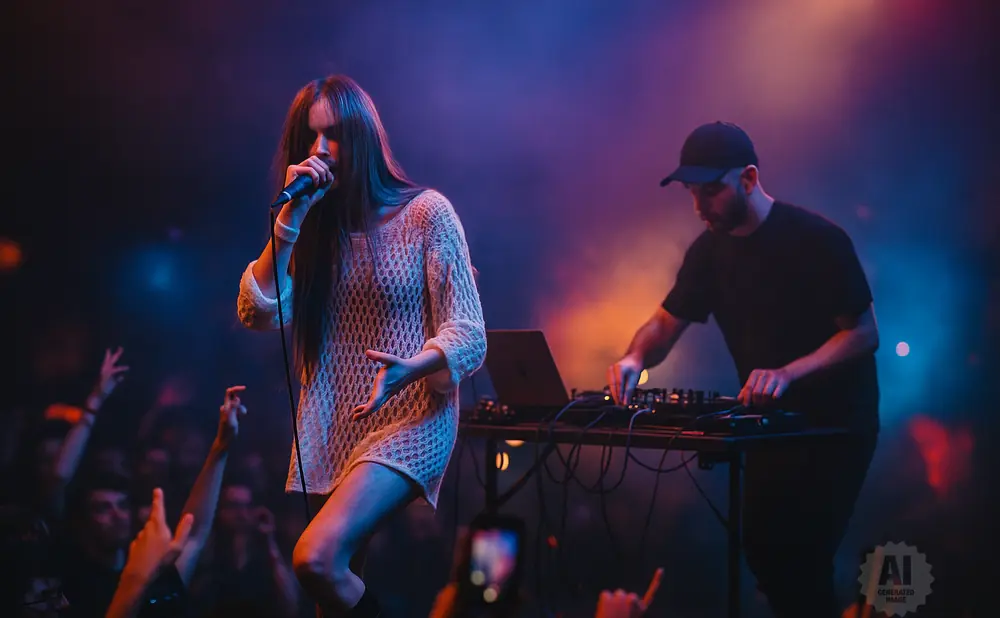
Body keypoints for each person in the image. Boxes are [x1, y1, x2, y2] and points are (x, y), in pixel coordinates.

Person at [236, 75, 486, 617]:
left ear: (364, 139)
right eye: (311, 137)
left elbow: (469, 332)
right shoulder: (315, 225)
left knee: (317, 560)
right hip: (336, 421)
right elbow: (257, 312)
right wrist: (290, 220)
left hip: (412, 415)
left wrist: (411, 368)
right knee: (333, 594)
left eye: (336, 136)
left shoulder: (427, 213)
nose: (321, 150)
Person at [607, 122, 880, 618]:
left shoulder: (817, 240)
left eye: (710, 191)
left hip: (835, 426)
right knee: (764, 551)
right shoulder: (709, 253)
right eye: (692, 193)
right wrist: (634, 358)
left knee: (800, 557)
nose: (698, 206)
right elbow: (664, 324)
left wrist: (789, 372)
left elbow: (863, 333)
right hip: (767, 427)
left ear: (749, 179)